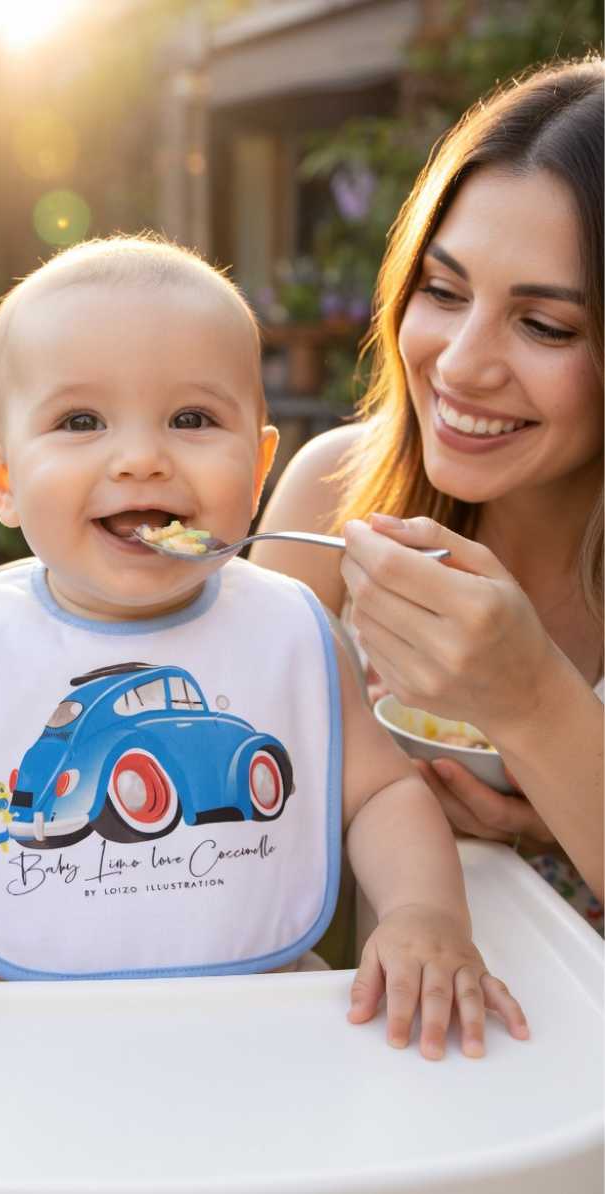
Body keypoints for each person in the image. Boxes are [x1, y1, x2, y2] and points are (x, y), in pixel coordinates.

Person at [0, 236, 527, 1114]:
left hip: (276, 1052)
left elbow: (382, 795)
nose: (141, 458)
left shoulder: (295, 632)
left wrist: (423, 918)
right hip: (11, 1056)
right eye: (81, 422)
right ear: (2, 478)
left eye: (192, 419)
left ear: (259, 468)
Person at [251, 58, 604, 927]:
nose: (461, 363)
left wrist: (533, 708)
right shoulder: (333, 494)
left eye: (545, 325)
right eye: (443, 291)